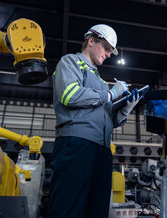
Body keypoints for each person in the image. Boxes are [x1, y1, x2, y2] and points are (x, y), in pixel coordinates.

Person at [48, 24, 141, 218]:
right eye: (107, 48)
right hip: (77, 144)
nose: (109, 54)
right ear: (91, 41)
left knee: (97, 208)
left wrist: (126, 108)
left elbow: (107, 118)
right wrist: (110, 93)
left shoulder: (99, 80)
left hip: (102, 148)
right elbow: (69, 95)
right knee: (68, 206)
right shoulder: (70, 62)